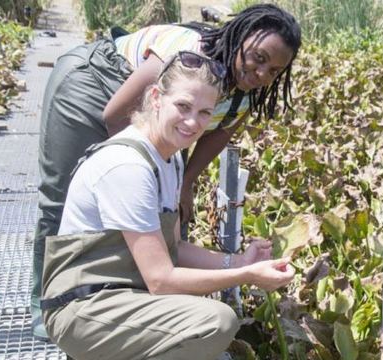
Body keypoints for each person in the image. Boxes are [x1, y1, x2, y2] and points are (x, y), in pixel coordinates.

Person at [32, 3, 302, 339]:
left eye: (274, 70)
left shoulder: (246, 91)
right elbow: (115, 115)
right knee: (61, 196)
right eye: (259, 58)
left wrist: (183, 184)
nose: (263, 73)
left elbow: (218, 134)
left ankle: (130, 301)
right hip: (96, 83)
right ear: (241, 37)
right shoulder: (188, 52)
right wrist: (137, 173)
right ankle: (46, 305)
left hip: (160, 114)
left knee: (160, 213)